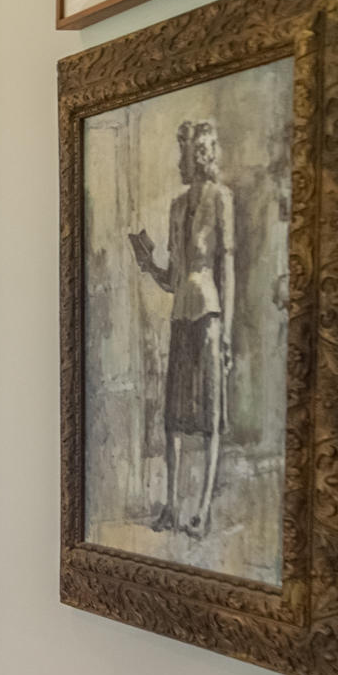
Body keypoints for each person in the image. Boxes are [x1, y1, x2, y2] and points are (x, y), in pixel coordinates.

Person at [128, 119, 236, 538]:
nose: (181, 159)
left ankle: (202, 510)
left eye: (187, 152)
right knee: (173, 419)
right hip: (181, 316)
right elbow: (174, 277)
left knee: (209, 416)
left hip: (208, 316)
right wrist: (149, 264)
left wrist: (226, 335)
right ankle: (173, 506)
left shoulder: (221, 200)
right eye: (181, 151)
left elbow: (227, 268)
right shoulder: (176, 207)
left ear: (202, 155)